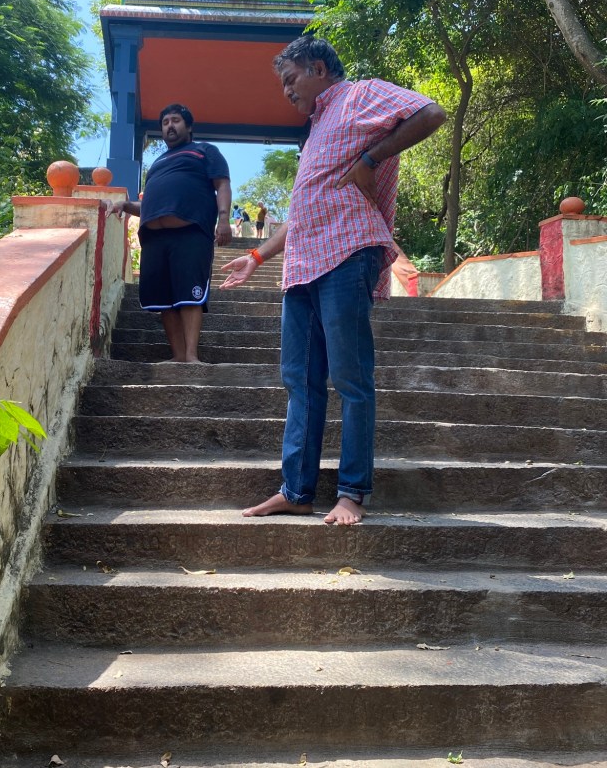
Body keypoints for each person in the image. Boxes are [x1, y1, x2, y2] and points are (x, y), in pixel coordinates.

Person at [220, 36, 446, 524]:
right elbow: (302, 211)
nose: (286, 91)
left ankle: (351, 492)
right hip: (301, 266)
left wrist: (370, 159)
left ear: (319, 69)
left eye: (290, 79)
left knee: (350, 377)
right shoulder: (315, 131)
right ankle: (296, 490)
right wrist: (256, 256)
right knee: (300, 381)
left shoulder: (359, 94)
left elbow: (431, 113)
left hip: (347, 251)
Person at [106, 104, 232, 363]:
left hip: (191, 233)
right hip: (154, 239)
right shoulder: (158, 163)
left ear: (189, 126)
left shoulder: (204, 151)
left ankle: (192, 356)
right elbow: (150, 204)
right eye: (165, 123)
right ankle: (178, 356)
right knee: (164, 299)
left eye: (175, 120)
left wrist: (223, 219)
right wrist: (126, 205)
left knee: (189, 295)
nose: (169, 126)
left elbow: (222, 184)